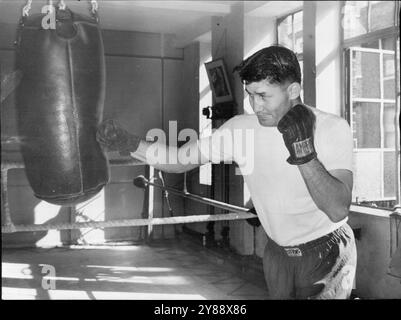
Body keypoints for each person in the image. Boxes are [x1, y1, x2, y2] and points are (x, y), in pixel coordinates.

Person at [96, 45, 356, 299]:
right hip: (277, 253)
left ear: (293, 90)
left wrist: (304, 153)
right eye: (250, 94)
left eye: (263, 95)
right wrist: (129, 143)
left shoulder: (331, 128)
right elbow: (178, 159)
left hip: (327, 250)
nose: (255, 105)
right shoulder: (240, 129)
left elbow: (337, 209)